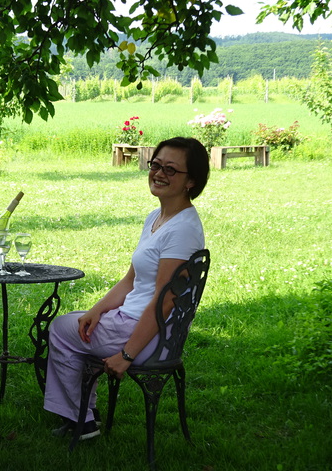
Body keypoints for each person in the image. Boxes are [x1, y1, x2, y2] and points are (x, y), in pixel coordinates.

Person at [43, 136, 208, 440]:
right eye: (156, 165)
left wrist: (127, 355)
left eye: (171, 170)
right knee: (79, 322)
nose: (159, 173)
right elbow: (131, 280)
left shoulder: (183, 229)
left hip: (151, 336)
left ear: (191, 181)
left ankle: (83, 421)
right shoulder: (157, 218)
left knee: (61, 331)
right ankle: (82, 414)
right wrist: (96, 310)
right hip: (135, 320)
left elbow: (166, 300)